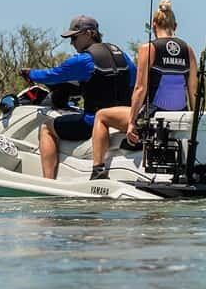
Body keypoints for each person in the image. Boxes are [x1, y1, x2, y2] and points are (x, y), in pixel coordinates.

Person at [89, 0, 197, 179]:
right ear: (175, 26)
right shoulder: (188, 49)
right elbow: (193, 90)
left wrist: (132, 123)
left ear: (153, 25)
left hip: (153, 117)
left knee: (101, 116)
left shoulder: (149, 48)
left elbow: (140, 88)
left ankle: (98, 170)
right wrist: (193, 123)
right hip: (180, 115)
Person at [21, 15, 135, 180]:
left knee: (47, 128)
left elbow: (52, 75)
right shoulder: (122, 56)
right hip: (121, 120)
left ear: (88, 34)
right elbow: (135, 83)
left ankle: (48, 181)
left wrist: (29, 74)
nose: (71, 43)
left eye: (74, 37)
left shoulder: (84, 60)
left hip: (92, 123)